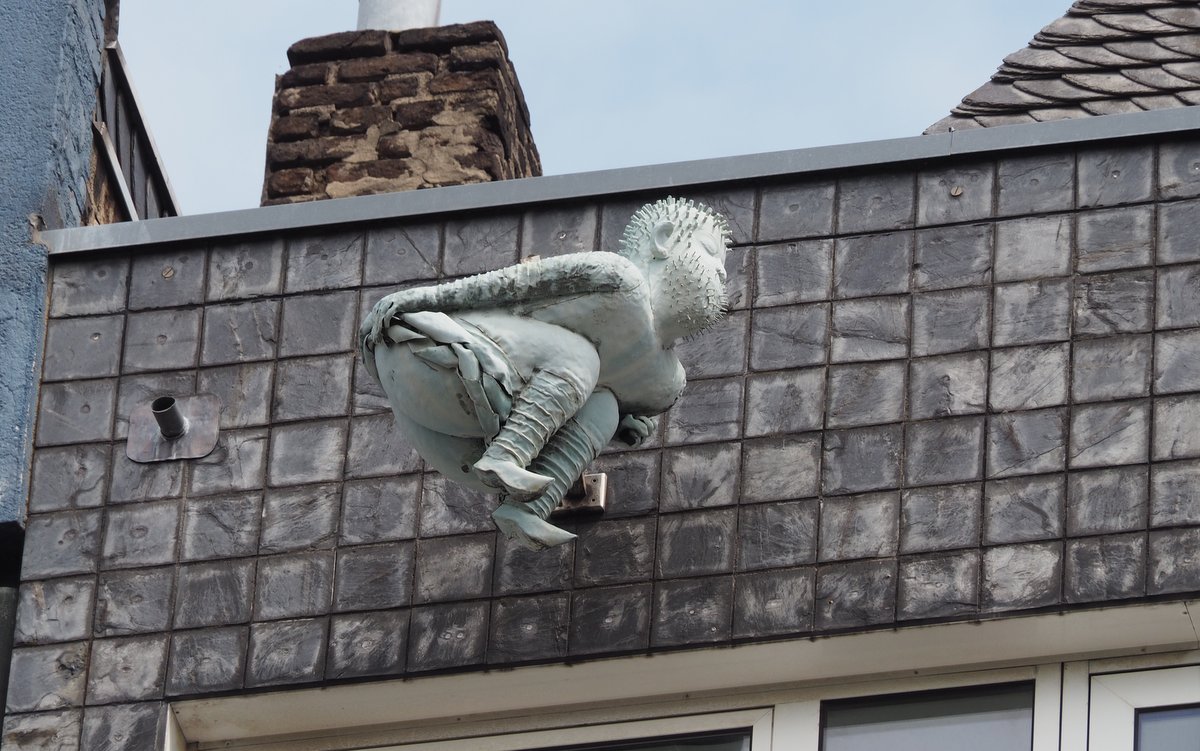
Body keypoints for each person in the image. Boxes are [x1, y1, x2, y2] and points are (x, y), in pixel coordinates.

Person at [360, 197, 730, 550]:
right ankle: (506, 456)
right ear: (664, 239)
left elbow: (588, 402)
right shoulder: (620, 280)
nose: (721, 271)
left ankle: (527, 508)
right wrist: (418, 300)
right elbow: (511, 285)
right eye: (710, 251)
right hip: (443, 356)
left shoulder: (665, 381)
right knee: (581, 357)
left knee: (605, 407)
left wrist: (622, 425)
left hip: (464, 443)